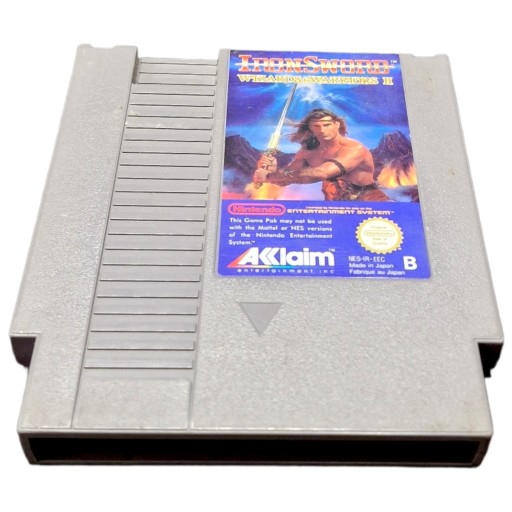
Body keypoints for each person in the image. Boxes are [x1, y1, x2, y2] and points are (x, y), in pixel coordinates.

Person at [253, 108, 388, 201]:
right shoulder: (308, 152)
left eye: (327, 125)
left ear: (336, 124)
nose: (322, 130)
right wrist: (272, 171)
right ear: (310, 128)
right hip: (334, 206)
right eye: (316, 126)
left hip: (370, 203)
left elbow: (323, 173)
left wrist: (269, 177)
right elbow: (285, 179)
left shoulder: (354, 149)